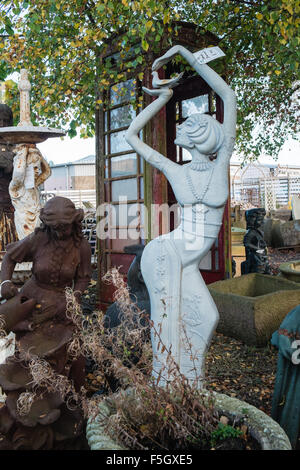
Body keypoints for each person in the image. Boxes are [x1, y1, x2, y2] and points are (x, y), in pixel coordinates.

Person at [125, 45, 236, 385]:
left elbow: (228, 97)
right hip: (168, 253)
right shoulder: (176, 170)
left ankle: (189, 386)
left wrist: (183, 54)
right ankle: (168, 392)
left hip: (182, 256)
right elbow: (130, 136)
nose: (203, 127)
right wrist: (162, 98)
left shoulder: (220, 164)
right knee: (167, 324)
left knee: (205, 317)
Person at [9, 143, 51, 240]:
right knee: (27, 247)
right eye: (34, 168)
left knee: (37, 248)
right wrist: (23, 154)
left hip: (37, 222)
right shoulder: (16, 188)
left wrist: (40, 155)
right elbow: (19, 174)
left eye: (38, 168)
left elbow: (47, 172)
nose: (37, 171)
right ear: (25, 167)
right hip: (25, 224)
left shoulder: (34, 185)